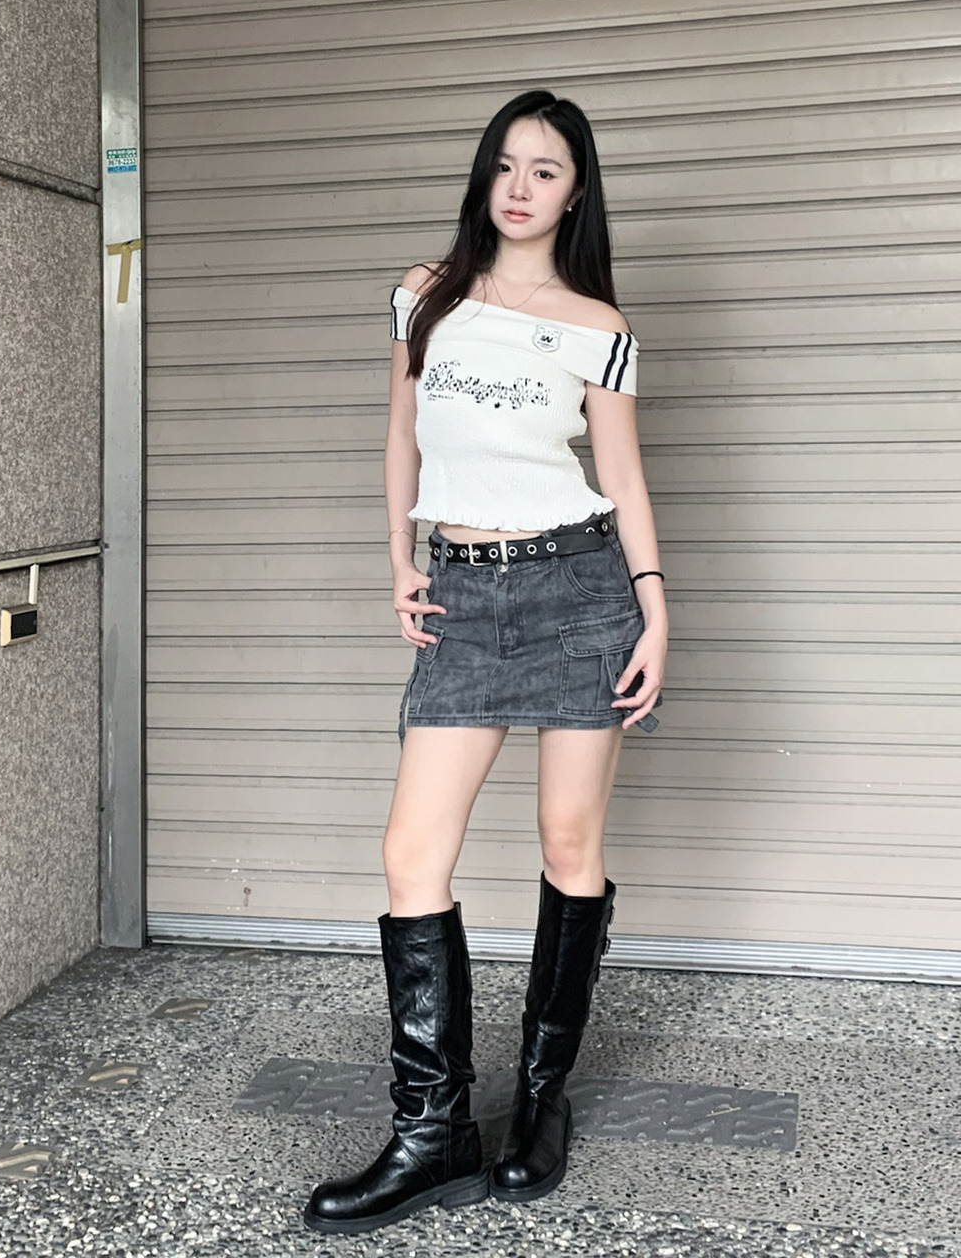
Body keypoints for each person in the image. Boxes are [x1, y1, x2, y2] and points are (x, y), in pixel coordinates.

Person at [303, 88, 668, 1236]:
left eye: (545, 170)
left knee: (568, 845)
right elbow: (401, 432)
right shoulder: (426, 294)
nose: (520, 187)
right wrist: (398, 557)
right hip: (461, 592)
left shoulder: (596, 323)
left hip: (577, 590)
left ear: (574, 190)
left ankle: (541, 1100)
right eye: (505, 164)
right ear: (484, 175)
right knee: (410, 851)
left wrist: (653, 610)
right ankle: (433, 1132)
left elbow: (621, 474)